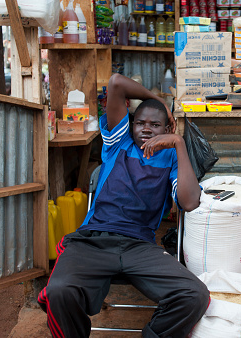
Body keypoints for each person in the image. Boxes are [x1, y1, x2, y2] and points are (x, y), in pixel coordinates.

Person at [38, 73, 209, 338]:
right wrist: (159, 102)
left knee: (194, 295)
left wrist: (178, 144)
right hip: (93, 240)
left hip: (139, 246)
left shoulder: (172, 159)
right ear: (131, 126)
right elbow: (116, 82)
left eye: (155, 124)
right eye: (140, 123)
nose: (146, 129)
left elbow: (189, 202)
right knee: (59, 291)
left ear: (166, 130)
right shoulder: (118, 143)